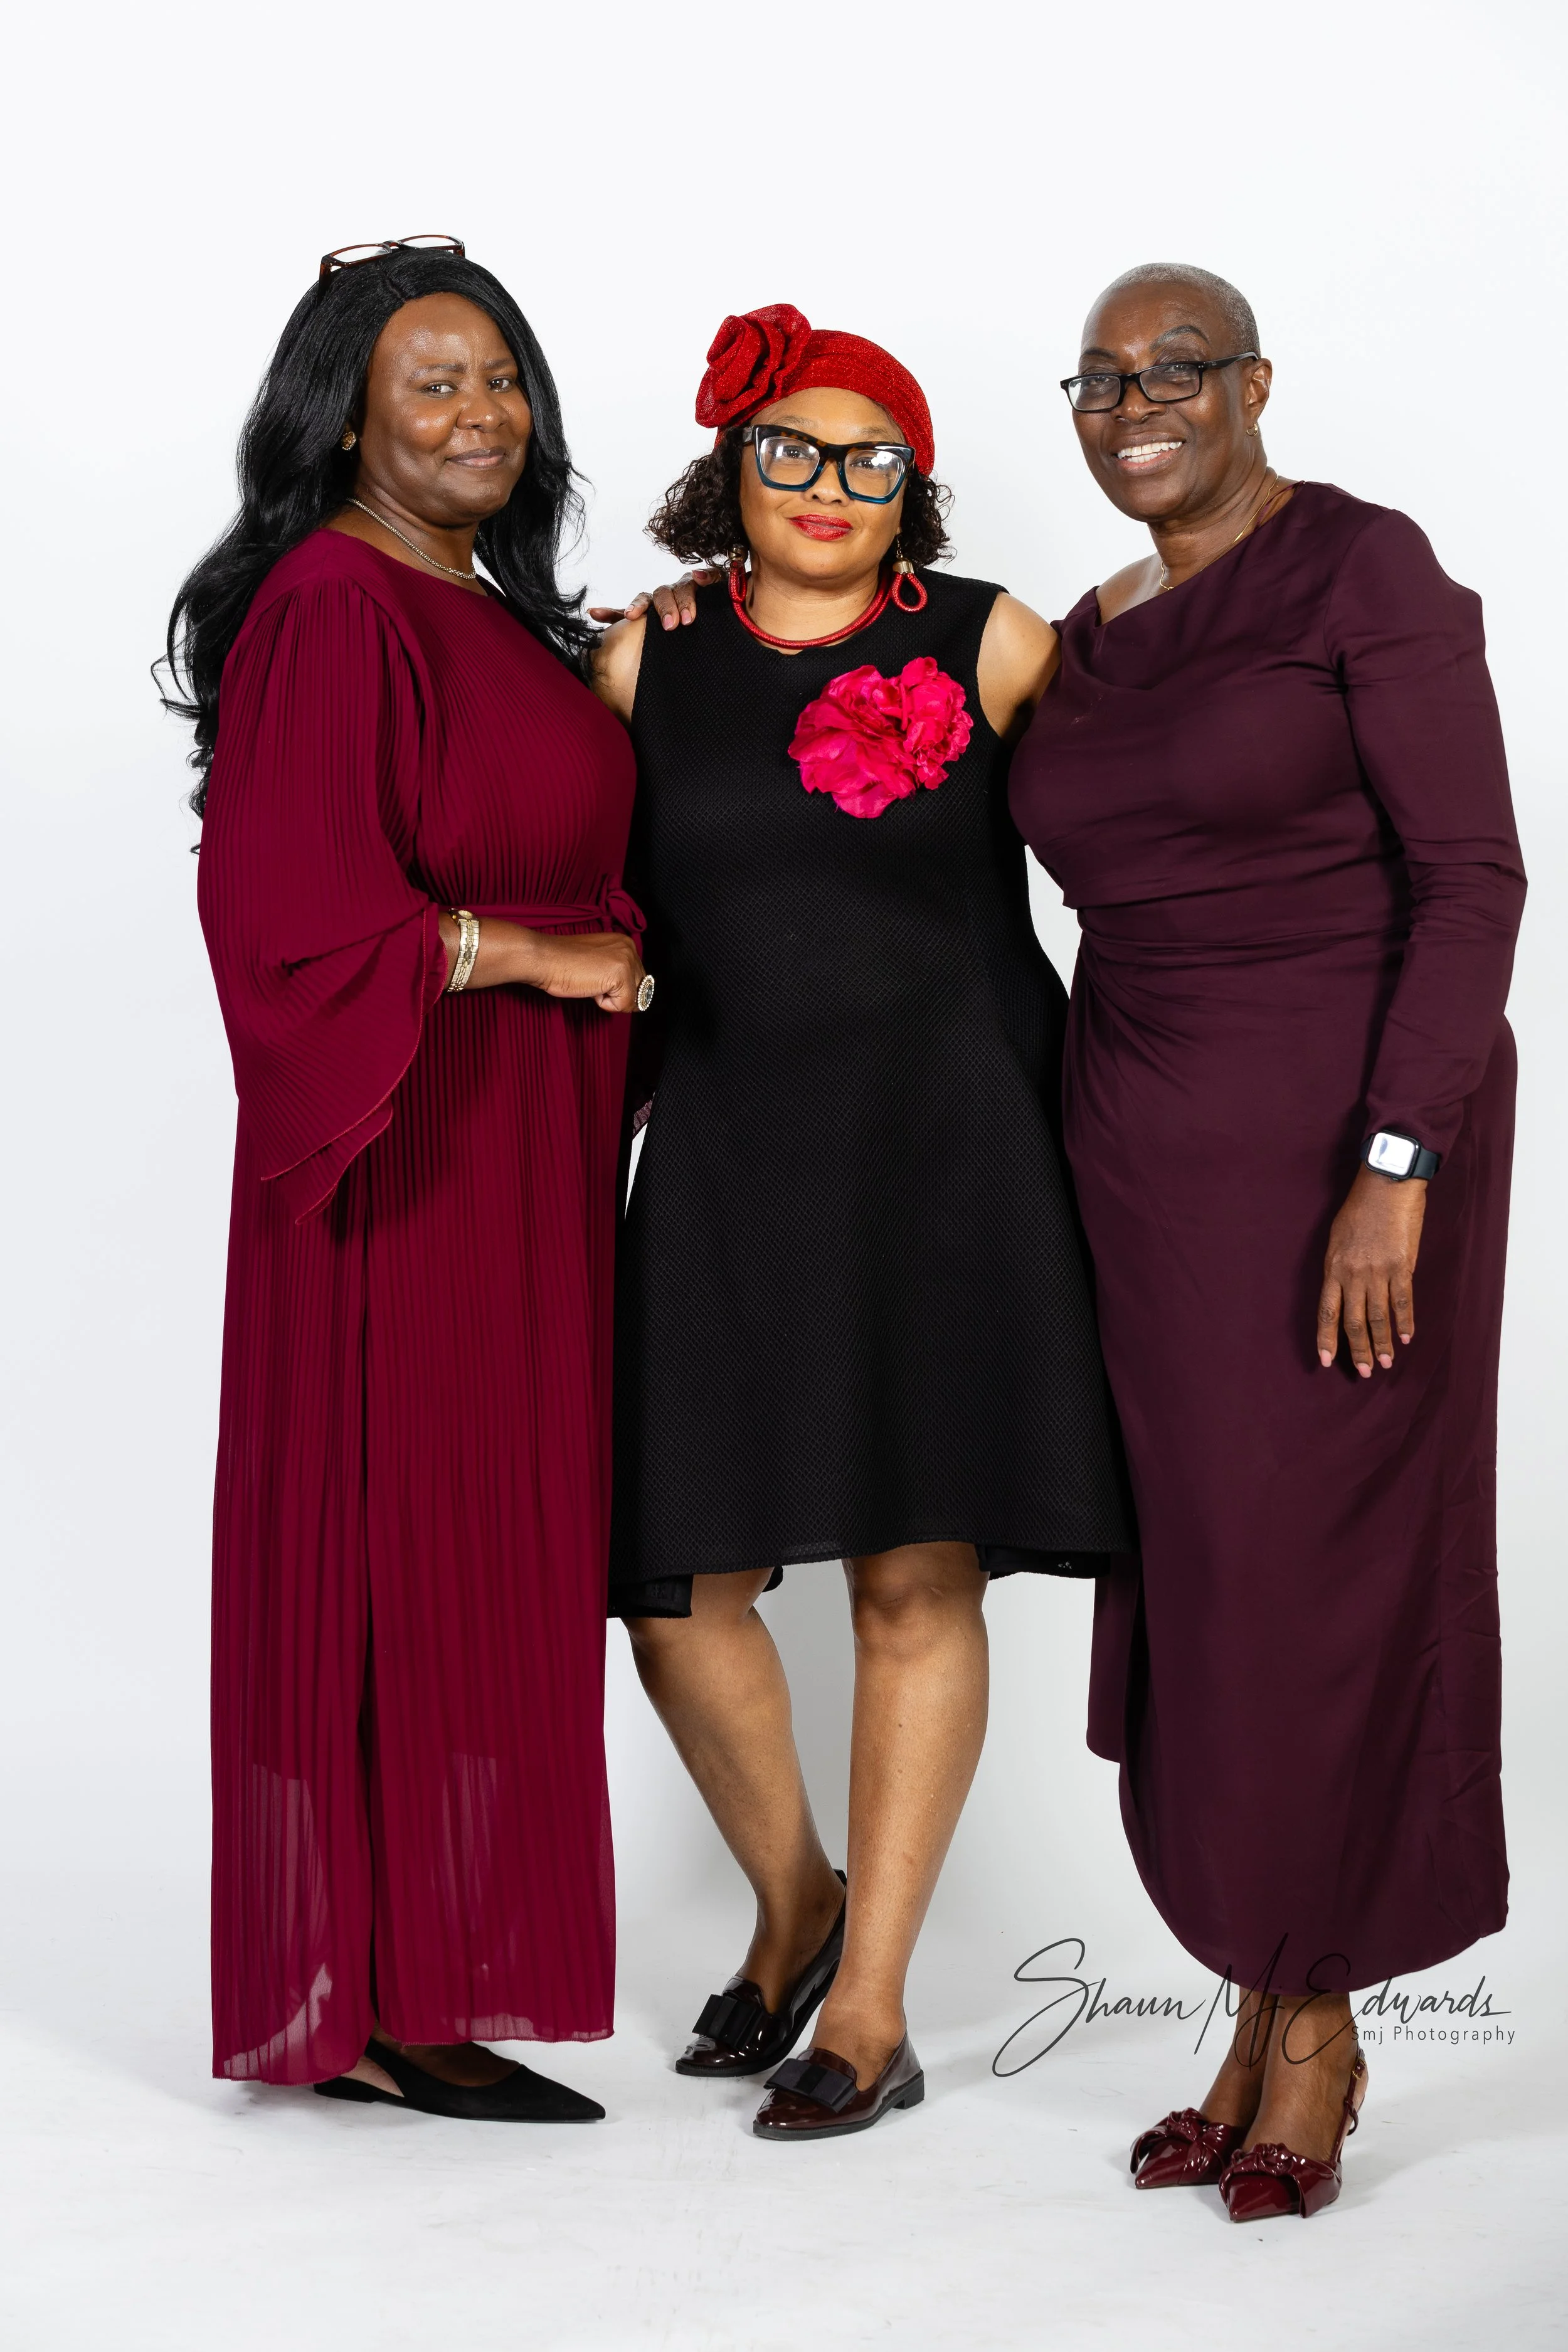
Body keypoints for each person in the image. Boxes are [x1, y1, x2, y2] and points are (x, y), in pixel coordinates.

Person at [1009, 263, 1525, 2219]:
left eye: (1175, 367)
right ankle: (1249, 2003)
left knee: (1315, 1579)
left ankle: (1312, 2026)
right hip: (1139, 1174)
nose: (1133, 403)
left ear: (1253, 385)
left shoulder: (1358, 569)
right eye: (1098, 378)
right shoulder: (1081, 637)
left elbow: (1471, 878)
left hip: (1345, 1165)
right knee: (1208, 1581)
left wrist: (1398, 1157)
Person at [593, 304, 1131, 2142]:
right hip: (730, 1156)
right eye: (792, 452)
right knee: (676, 1590)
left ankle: (872, 2008)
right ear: (729, 473)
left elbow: (1158, 837)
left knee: (915, 1577)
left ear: (916, 485)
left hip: (950, 1151)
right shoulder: (644, 657)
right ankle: (798, 1901)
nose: (830, 487)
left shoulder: (992, 639)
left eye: (871, 459)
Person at [164, 237, 651, 2119]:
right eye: (433, 381)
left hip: (519, 1157)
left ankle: (428, 1967)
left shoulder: (489, 611)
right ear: (344, 415)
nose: (481, 413)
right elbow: (286, 919)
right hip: (401, 1160)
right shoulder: (331, 605)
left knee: (491, 1552)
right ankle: (370, 1997)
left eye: (504, 377)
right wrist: (531, 955)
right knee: (400, 1545)